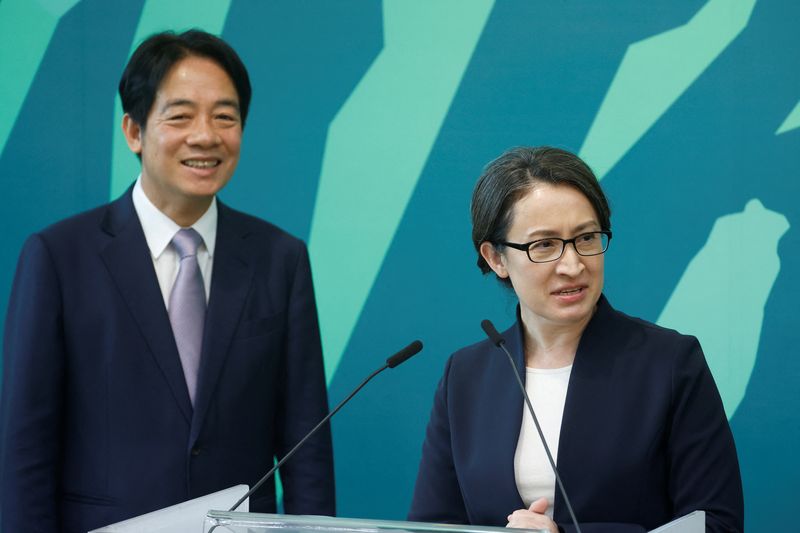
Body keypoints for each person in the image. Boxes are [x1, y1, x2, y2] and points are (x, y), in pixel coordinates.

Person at [0, 30, 335, 532]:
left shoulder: (279, 259)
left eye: (225, 116)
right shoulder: (58, 257)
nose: (205, 136)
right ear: (134, 131)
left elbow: (306, 444)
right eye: (180, 116)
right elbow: (25, 446)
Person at [407, 147, 743, 532]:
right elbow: (432, 525)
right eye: (544, 245)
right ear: (496, 257)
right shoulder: (465, 376)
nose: (573, 265)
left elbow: (717, 524)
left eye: (586, 237)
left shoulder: (670, 363)